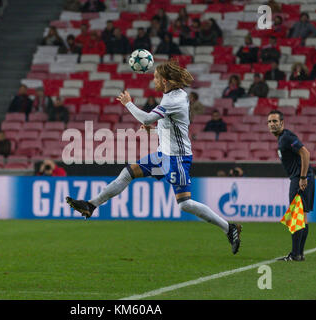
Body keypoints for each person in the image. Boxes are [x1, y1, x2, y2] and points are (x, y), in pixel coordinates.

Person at [66, 60, 242, 255]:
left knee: (185, 203)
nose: (153, 80)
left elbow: (147, 118)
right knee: (128, 173)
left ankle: (229, 228)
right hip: (162, 155)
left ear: (165, 80)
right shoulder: (175, 96)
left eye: (156, 77)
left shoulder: (172, 100)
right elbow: (175, 123)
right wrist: (157, 129)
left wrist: (128, 104)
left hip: (176, 158)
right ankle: (91, 205)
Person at [267, 110, 314, 261]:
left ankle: (295, 254)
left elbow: (305, 153)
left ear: (282, 122)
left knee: (296, 216)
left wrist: (302, 177)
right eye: (269, 122)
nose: (272, 124)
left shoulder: (286, 137)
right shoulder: (282, 138)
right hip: (303, 177)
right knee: (302, 216)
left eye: (275, 121)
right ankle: (299, 254)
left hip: (300, 178)